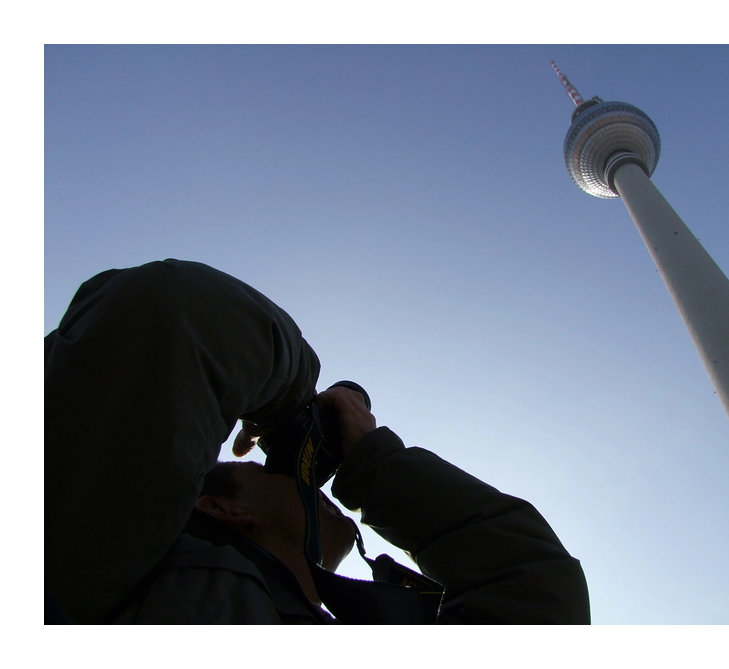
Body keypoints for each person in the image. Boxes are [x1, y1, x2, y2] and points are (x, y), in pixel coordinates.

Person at [45, 259, 590, 624]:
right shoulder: (95, 571)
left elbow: (539, 593)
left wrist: (375, 463)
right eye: (265, 470)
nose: (320, 489)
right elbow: (170, 309)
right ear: (218, 508)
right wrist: (294, 405)